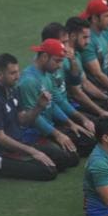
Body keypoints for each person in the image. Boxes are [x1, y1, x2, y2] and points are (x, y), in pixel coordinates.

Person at [0, 53, 57, 181]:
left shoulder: (13, 90)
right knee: (49, 171)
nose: (18, 76)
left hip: (19, 143)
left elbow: (23, 120)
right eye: (12, 73)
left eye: (18, 71)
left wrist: (39, 107)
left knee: (66, 159)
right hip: (3, 151)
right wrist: (32, 151)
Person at [18, 39, 80, 170]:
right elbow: (33, 118)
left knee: (79, 148)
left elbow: (52, 105)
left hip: (48, 128)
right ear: (45, 56)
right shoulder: (29, 81)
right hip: (33, 134)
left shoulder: (47, 75)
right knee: (66, 160)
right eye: (57, 61)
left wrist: (70, 123)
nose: (60, 66)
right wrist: (58, 134)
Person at [41, 22, 96, 157]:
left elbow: (75, 82)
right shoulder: (46, 70)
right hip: (56, 117)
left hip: (64, 110)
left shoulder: (62, 59)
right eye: (63, 42)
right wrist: (76, 121)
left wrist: (73, 62)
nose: (67, 46)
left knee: (98, 130)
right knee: (89, 141)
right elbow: (57, 101)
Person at [65, 16, 108, 118]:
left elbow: (85, 83)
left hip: (78, 101)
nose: (88, 42)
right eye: (84, 37)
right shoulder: (65, 60)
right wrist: (100, 111)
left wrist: (107, 99)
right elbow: (77, 93)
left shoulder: (76, 54)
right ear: (72, 36)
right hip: (72, 106)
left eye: (89, 37)